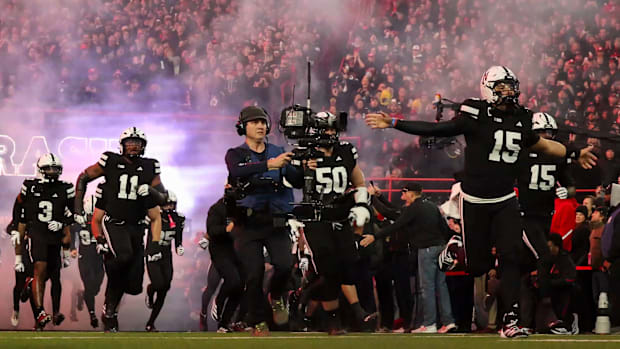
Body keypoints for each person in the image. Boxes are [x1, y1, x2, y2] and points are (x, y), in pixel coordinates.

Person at [365, 66, 597, 338]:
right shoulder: (475, 113)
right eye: (502, 87)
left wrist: (573, 152)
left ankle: (510, 321)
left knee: (510, 258)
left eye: (511, 87)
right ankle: (457, 246)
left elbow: (544, 146)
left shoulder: (522, 119)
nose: (509, 93)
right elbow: (439, 129)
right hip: (475, 200)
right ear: (488, 89)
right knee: (478, 267)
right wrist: (395, 123)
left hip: (506, 200)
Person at [224, 106, 303, 336]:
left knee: (285, 266)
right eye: (254, 122)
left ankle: (277, 295)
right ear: (243, 127)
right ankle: (257, 320)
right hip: (247, 223)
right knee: (254, 273)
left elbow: (296, 182)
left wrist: (303, 168)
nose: (260, 126)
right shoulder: (235, 153)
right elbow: (237, 172)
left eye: (262, 122)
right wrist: (270, 165)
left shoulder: (278, 150)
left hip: (276, 220)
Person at [76, 127, 164, 332]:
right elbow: (83, 177)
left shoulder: (150, 166)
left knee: (134, 286)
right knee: (123, 257)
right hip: (114, 223)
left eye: (137, 142)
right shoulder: (110, 161)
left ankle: (110, 305)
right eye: (129, 142)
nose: (133, 145)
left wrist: (151, 191)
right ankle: (109, 309)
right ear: (122, 145)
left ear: (144, 146)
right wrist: (78, 208)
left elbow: (163, 197)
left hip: (137, 226)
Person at [299, 111, 372, 335]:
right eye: (327, 129)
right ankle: (334, 320)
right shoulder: (307, 153)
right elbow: (292, 181)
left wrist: (361, 205)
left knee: (348, 266)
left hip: (340, 216)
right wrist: (303, 168)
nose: (331, 133)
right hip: (317, 218)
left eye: (333, 129)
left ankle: (308, 300)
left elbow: (359, 181)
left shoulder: (346, 151)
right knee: (329, 269)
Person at [361, 182, 455, 334]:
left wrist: (375, 236)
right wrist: (379, 197)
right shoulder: (430, 206)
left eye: (404, 193)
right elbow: (443, 228)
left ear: (411, 193)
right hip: (440, 248)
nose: (402, 196)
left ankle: (430, 323)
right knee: (441, 286)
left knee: (427, 288)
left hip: (426, 249)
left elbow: (395, 223)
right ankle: (448, 322)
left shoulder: (414, 208)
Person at [14, 153, 75, 329]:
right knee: (40, 268)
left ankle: (30, 286)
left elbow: (74, 214)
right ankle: (40, 312)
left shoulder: (65, 188)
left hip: (55, 236)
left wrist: (62, 222)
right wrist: (17, 232)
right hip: (37, 232)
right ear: (40, 169)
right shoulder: (30, 186)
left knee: (54, 274)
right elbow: (19, 210)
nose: (52, 171)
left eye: (55, 168)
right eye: (48, 168)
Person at [202, 195, 244, 333]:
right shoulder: (217, 209)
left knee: (240, 286)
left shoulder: (243, 207)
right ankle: (218, 302)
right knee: (232, 281)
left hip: (238, 250)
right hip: (221, 250)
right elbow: (211, 230)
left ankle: (224, 323)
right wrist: (226, 229)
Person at [144, 191, 185, 332]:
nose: (169, 207)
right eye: (166, 204)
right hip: (153, 254)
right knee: (158, 284)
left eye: (171, 204)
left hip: (166, 255)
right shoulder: (153, 216)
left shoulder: (178, 219)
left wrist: (179, 246)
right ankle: (150, 291)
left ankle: (151, 323)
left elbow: (178, 235)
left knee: (165, 287)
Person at [72, 192, 105, 328]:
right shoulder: (80, 221)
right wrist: (72, 248)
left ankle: (82, 295)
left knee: (95, 288)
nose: (92, 218)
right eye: (90, 215)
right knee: (89, 285)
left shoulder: (102, 222)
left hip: (98, 258)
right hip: (84, 257)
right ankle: (92, 315)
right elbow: (71, 231)